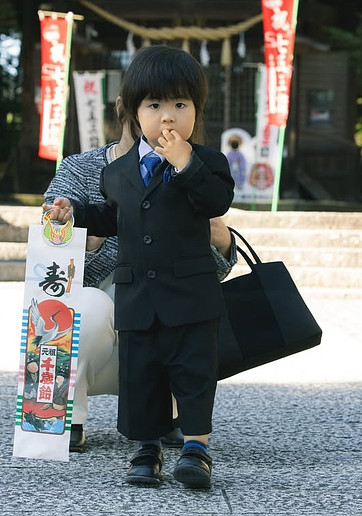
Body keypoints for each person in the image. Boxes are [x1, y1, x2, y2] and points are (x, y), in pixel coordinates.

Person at [45, 45, 234, 489]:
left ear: (197, 110)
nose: (168, 117)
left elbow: (216, 202)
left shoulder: (208, 163)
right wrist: (76, 212)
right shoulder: (118, 172)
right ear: (131, 111)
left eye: (180, 104)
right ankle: (145, 449)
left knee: (193, 372)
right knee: (141, 374)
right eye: (154, 105)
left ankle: (196, 447)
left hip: (189, 295)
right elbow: (114, 217)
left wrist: (185, 164)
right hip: (136, 295)